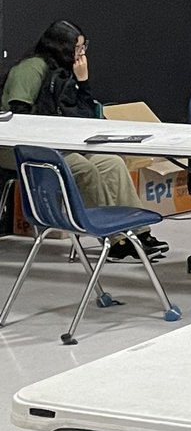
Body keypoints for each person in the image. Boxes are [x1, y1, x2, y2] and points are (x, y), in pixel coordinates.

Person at [0, 20, 167, 260]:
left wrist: (83, 82)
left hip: (58, 146)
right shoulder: (31, 69)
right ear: (60, 47)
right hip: (19, 148)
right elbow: (20, 116)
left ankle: (137, 233)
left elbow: (87, 117)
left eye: (83, 48)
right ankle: (114, 239)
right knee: (83, 168)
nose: (81, 54)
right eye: (77, 49)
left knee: (112, 163)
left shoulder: (66, 73)